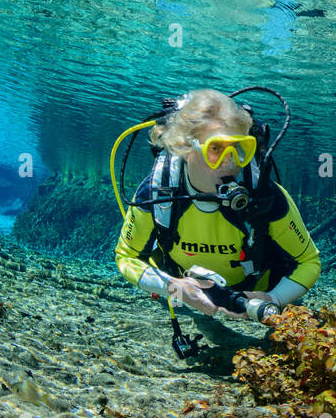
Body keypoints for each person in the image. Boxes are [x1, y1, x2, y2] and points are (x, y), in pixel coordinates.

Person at [113, 89, 319, 320]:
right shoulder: (158, 193)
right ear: (184, 147)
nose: (230, 163)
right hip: (181, 285)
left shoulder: (264, 196)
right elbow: (126, 257)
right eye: (215, 148)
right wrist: (174, 288)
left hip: (255, 294)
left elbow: (309, 261)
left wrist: (274, 298)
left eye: (240, 148)